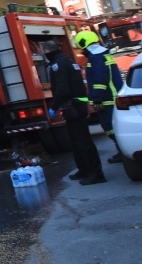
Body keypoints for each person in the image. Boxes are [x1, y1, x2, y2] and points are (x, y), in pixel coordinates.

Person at [47, 44, 105, 185]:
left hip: (73, 107)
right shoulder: (68, 61)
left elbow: (63, 89)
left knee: (82, 141)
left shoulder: (58, 65)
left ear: (49, 52)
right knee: (75, 141)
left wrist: (53, 106)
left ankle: (95, 173)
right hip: (75, 106)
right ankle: (84, 169)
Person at [77, 29, 125, 164]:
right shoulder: (103, 54)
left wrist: (97, 99)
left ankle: (122, 151)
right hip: (113, 96)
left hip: (107, 99)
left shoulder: (95, 57)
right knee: (113, 126)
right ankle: (122, 150)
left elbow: (99, 80)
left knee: (109, 127)